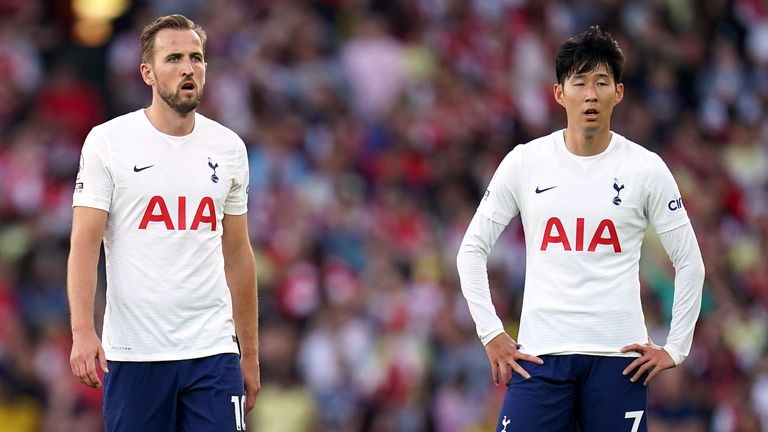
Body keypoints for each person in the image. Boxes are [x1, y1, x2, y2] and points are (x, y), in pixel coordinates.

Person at [456, 26, 705, 432]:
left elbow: (690, 263)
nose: (591, 94)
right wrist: (491, 333)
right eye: (580, 83)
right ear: (559, 93)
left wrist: (676, 347)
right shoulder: (525, 162)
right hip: (540, 356)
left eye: (602, 83)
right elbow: (471, 250)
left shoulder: (646, 168)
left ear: (618, 93)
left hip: (619, 362)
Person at [67, 14, 260, 432]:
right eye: (174, 58)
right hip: (136, 353)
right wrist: (83, 330)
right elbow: (84, 243)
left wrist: (250, 354)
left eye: (197, 58)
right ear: (148, 73)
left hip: (212, 352)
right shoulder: (109, 142)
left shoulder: (228, 148)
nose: (188, 68)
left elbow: (238, 255)